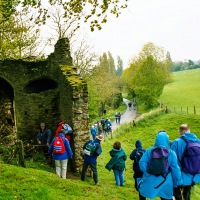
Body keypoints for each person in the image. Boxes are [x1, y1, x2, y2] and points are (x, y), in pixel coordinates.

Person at [138, 131, 182, 200]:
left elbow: (142, 163)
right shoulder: (171, 153)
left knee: (144, 192)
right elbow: (176, 170)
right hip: (166, 181)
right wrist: (178, 182)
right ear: (167, 140)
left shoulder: (149, 151)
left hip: (150, 180)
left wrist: (149, 170)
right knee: (165, 197)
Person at [171, 124, 200, 200]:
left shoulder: (176, 142)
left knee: (178, 195)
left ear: (181, 131)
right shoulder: (198, 141)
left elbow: (173, 161)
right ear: (189, 130)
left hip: (180, 175)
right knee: (187, 195)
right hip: (193, 176)